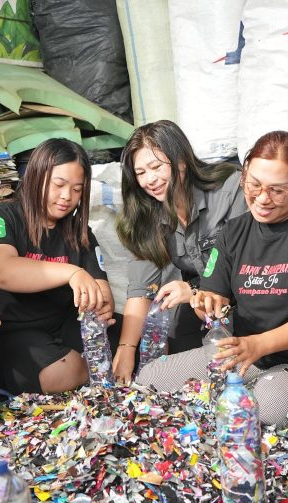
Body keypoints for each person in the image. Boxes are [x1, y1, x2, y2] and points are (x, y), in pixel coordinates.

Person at [135, 131, 288, 426]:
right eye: (254, 185)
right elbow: (213, 296)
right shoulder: (233, 232)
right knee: (151, 378)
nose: (263, 198)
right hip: (243, 355)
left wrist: (259, 344)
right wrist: (206, 303)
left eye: (277, 190)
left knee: (261, 408)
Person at [113, 120, 247, 384]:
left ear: (182, 161)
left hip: (244, 300)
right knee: (169, 342)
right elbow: (142, 288)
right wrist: (126, 349)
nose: (149, 180)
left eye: (156, 167)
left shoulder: (230, 190)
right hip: (202, 308)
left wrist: (197, 294)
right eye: (140, 173)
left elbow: (249, 270)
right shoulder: (147, 214)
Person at [0, 138, 112, 395]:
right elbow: (0, 271)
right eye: (58, 184)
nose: (66, 196)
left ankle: (87, 369)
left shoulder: (78, 231)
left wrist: (100, 305)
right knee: (66, 369)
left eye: (76, 189)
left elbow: (101, 290)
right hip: (14, 332)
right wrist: (72, 273)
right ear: (36, 177)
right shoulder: (0, 217)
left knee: (132, 339)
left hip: (65, 325)